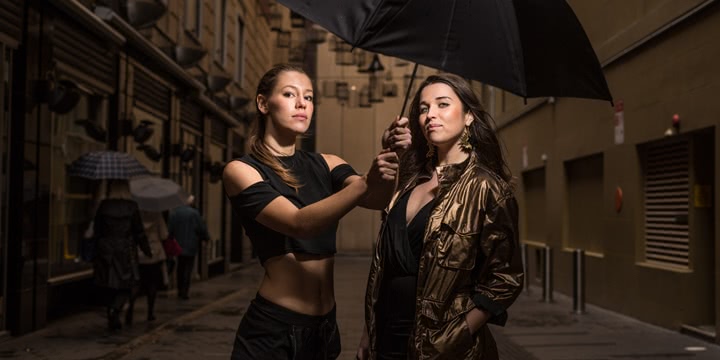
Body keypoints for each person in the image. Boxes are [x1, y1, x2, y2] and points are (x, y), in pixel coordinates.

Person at [222, 63, 406, 360]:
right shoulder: (242, 171)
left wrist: (391, 157)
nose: (301, 104)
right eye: (289, 94)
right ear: (263, 103)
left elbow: (376, 199)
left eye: (308, 97)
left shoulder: (328, 163)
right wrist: (365, 182)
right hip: (274, 330)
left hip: (324, 329)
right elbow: (299, 222)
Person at [357, 73, 524, 360]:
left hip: (444, 347)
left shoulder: (486, 187)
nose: (430, 114)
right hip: (385, 337)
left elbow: (504, 278)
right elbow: (384, 268)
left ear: (469, 116)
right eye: (423, 108)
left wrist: (455, 335)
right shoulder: (409, 181)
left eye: (442, 104)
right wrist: (367, 332)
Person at [91, 179, 151, 331]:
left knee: (108, 283)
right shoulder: (131, 206)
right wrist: (146, 249)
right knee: (127, 284)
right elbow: (139, 232)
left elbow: (97, 229)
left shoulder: (104, 205)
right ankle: (115, 309)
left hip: (106, 250)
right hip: (125, 250)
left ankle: (112, 311)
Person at [126, 210, 169, 324]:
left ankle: (130, 307)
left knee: (136, 283)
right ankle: (150, 312)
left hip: (138, 253)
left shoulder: (136, 214)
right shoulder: (157, 214)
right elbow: (164, 235)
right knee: (152, 284)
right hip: (153, 254)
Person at [167, 194, 210, 300]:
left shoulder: (174, 214)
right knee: (188, 268)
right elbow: (201, 228)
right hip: (191, 245)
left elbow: (170, 231)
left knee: (180, 268)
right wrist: (206, 238)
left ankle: (179, 289)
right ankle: (184, 292)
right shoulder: (194, 214)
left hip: (178, 245)